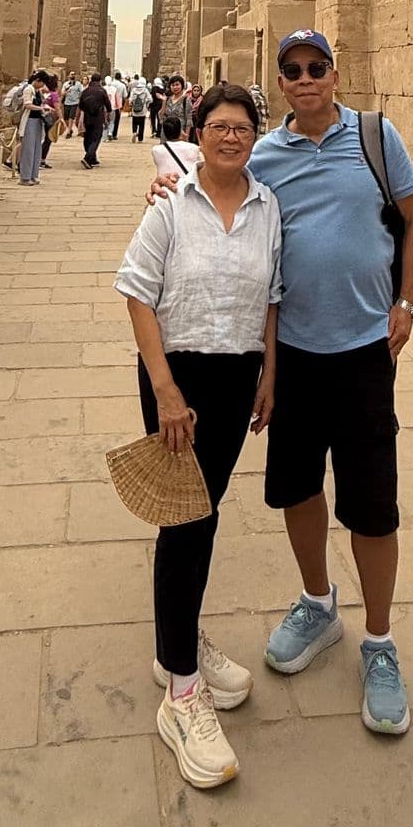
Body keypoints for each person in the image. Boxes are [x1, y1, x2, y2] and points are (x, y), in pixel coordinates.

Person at [147, 28, 413, 739]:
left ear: (334, 74)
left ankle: (380, 642)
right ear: (281, 83)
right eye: (292, 71)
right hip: (295, 355)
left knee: (372, 504)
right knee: (299, 488)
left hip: (365, 349)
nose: (304, 80)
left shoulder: (375, 136)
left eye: (316, 68)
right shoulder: (267, 153)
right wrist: (166, 185)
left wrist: (408, 302)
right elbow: (217, 179)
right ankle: (318, 603)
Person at [117, 81, 280, 790]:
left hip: (238, 373)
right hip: (176, 380)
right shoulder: (169, 206)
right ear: (200, 131)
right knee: (184, 520)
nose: (231, 136)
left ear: (254, 135)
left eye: (242, 126)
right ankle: (182, 691)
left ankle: (175, 640)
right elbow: (136, 291)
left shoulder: (268, 207)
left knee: (203, 518)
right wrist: (167, 394)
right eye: (219, 125)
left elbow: (273, 295)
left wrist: (270, 373)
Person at [16, 74, 50, 185]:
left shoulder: (37, 91)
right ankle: (25, 177)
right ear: (37, 80)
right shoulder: (28, 89)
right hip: (29, 121)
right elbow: (27, 105)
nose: (42, 85)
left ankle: (33, 174)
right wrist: (41, 108)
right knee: (28, 149)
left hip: (38, 121)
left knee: (36, 149)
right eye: (42, 82)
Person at [77, 74, 111, 168]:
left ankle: (93, 158)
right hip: (98, 117)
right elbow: (108, 105)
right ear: (100, 80)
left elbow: (80, 106)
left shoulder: (85, 91)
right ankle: (87, 158)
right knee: (96, 138)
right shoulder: (101, 91)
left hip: (87, 118)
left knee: (88, 137)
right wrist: (107, 116)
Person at [128, 74, 151, 141]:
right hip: (143, 110)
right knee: (142, 124)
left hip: (135, 109)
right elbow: (150, 99)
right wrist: (146, 103)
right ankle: (140, 138)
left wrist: (131, 104)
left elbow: (131, 99)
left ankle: (134, 132)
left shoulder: (134, 90)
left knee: (134, 122)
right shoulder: (145, 90)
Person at [106, 70, 128, 139]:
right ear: (120, 78)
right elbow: (125, 95)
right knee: (116, 119)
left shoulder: (110, 84)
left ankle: (108, 132)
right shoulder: (122, 85)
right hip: (118, 104)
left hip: (109, 103)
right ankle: (114, 134)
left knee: (108, 119)